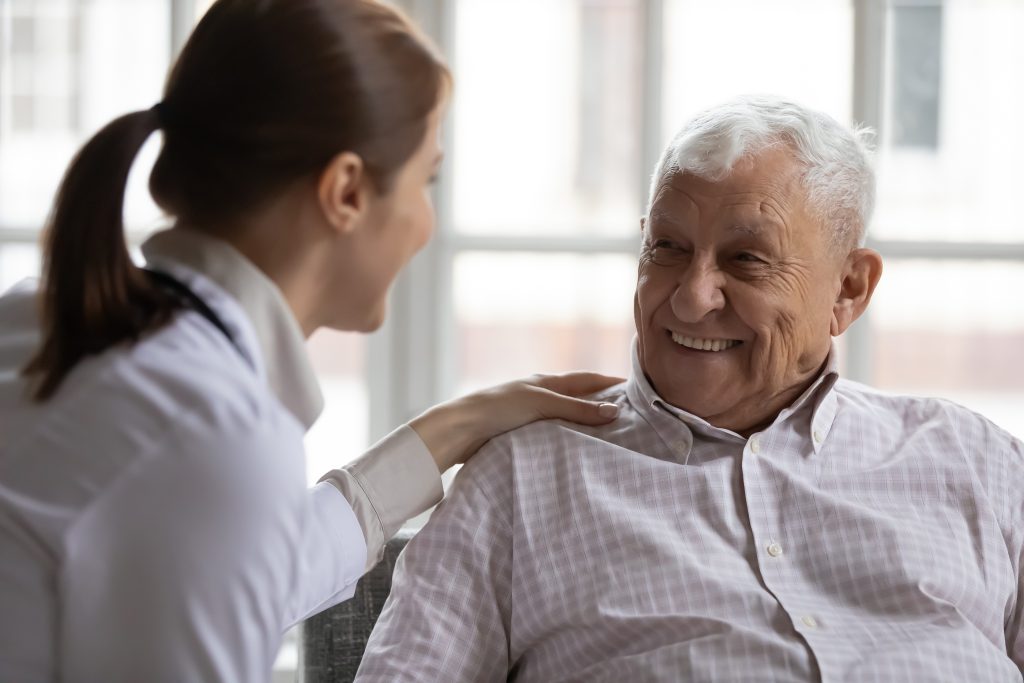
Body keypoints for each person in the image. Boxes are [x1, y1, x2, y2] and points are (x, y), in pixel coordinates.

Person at [0, 1, 624, 681]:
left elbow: (262, 565)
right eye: (427, 180)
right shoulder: (211, 431)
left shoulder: (44, 315)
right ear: (347, 191)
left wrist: (461, 422)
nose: (426, 220)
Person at [355, 96, 1024, 682]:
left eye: (746, 259)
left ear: (849, 288)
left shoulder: (978, 462)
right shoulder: (522, 479)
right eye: (667, 247)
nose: (692, 296)